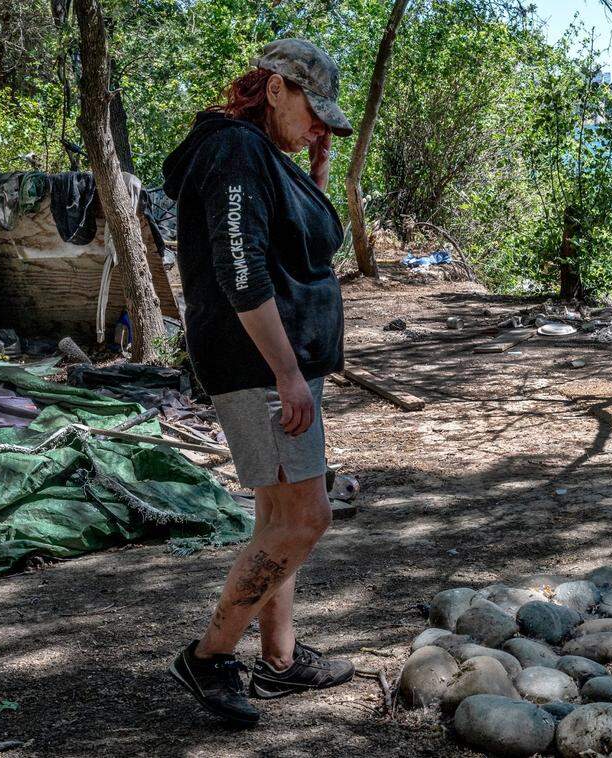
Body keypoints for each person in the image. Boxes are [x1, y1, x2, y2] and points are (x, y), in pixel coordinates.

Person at [161, 38, 355, 726]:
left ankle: (280, 658)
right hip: (259, 367)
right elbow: (243, 271)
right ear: (275, 88)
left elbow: (293, 248)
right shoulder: (236, 152)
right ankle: (210, 655)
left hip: (277, 364)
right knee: (308, 516)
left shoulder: (260, 157)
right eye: (313, 109)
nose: (319, 126)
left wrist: (316, 173)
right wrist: (286, 373)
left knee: (277, 519)